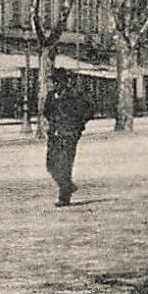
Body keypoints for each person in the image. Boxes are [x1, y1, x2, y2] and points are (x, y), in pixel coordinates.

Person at [44, 70, 93, 206]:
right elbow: (46, 112)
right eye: (54, 81)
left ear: (65, 82)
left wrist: (78, 125)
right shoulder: (51, 95)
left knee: (65, 165)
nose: (56, 84)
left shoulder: (75, 95)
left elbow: (89, 110)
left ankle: (64, 197)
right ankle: (68, 186)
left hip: (69, 134)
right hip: (55, 134)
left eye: (58, 81)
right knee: (51, 165)